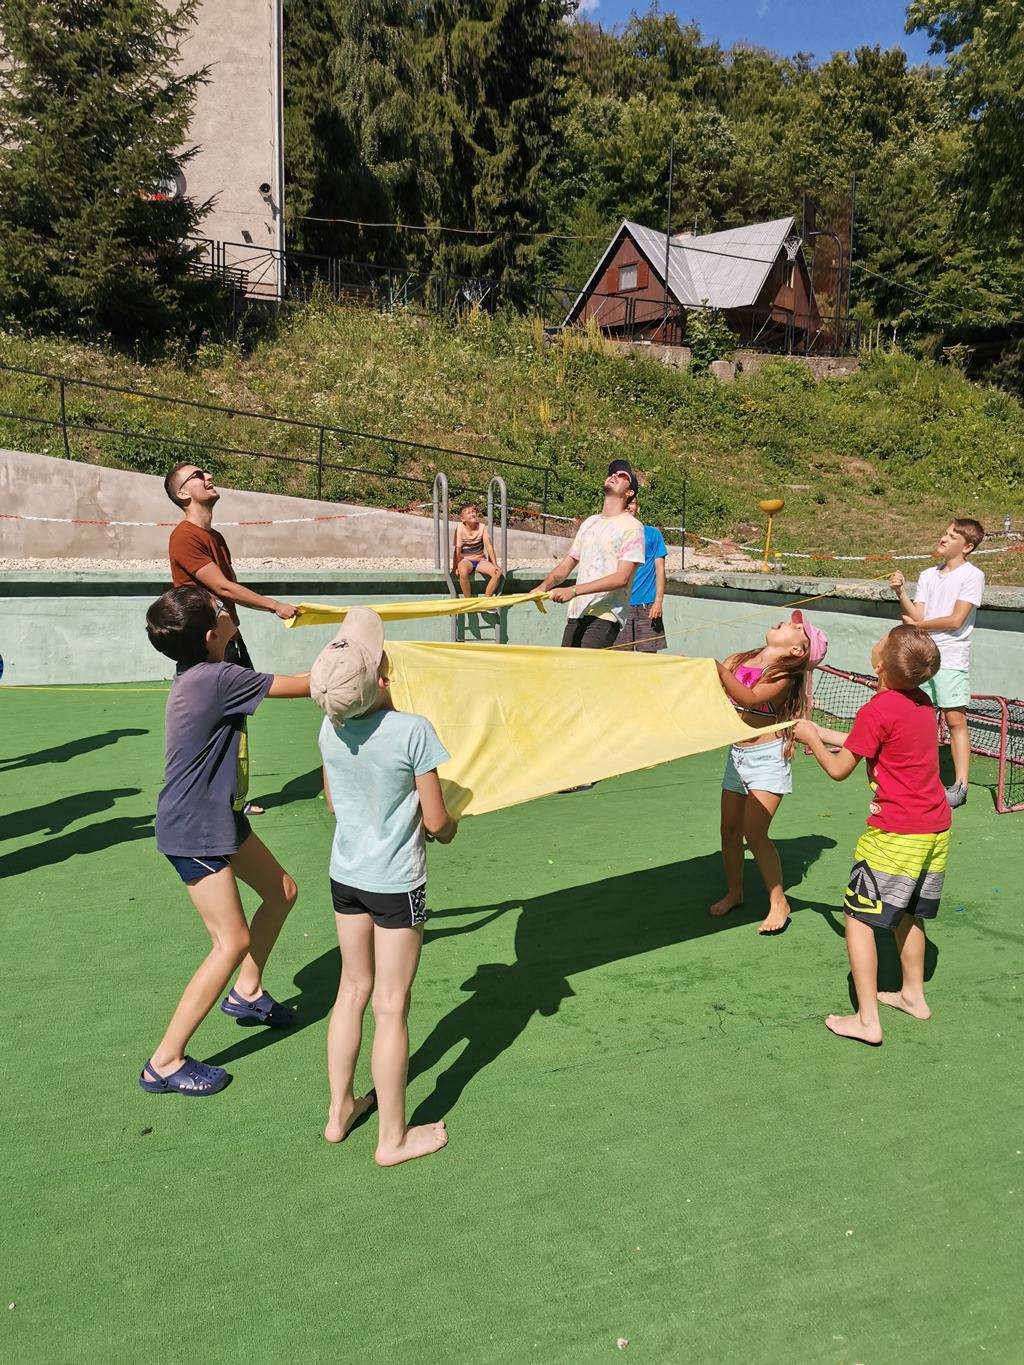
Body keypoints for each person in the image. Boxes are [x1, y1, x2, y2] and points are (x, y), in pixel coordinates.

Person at [139, 585, 311, 1096]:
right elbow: (309, 685)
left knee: (281, 893)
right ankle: (164, 1062)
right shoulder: (217, 678)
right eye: (220, 609)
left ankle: (247, 992)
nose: (227, 608)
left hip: (219, 819)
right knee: (231, 941)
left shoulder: (203, 670)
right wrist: (362, 649)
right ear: (212, 635)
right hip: (194, 828)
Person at [314, 607, 458, 1166]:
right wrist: (451, 825)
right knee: (391, 1006)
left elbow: (334, 803)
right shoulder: (413, 731)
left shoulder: (329, 726)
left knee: (351, 990)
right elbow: (438, 822)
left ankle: (338, 1113)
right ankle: (393, 1139)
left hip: (345, 875)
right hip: (396, 883)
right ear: (381, 678)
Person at [793, 625, 949, 1045]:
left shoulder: (876, 709)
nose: (877, 642)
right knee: (908, 913)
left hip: (896, 833)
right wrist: (822, 732)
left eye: (882, 641)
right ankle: (913, 996)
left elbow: (839, 769)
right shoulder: (922, 702)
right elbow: (878, 742)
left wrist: (812, 740)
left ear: (879, 665)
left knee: (859, 918)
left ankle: (867, 1020)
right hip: (934, 828)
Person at [164, 462, 300, 814]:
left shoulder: (216, 538)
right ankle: (215, 800)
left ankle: (233, 799)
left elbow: (227, 590)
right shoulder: (184, 536)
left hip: (228, 640)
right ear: (182, 493)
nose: (208, 477)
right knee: (217, 725)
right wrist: (275, 606)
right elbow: (223, 587)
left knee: (235, 723)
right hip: (209, 649)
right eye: (197, 476)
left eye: (206, 473)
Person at [710, 610, 828, 934]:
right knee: (729, 830)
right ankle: (734, 892)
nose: (789, 622)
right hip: (737, 754)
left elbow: (749, 697)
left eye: (797, 627)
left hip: (767, 758)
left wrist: (719, 670)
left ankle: (779, 902)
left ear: (797, 650)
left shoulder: (781, 677)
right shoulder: (739, 659)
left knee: (754, 832)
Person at [889, 519, 985, 808]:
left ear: (967, 546)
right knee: (919, 717)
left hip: (952, 656)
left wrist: (917, 626)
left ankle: (960, 786)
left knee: (955, 720)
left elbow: (955, 621)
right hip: (922, 654)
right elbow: (918, 614)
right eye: (945, 533)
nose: (944, 538)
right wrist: (900, 592)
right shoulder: (927, 575)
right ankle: (920, 779)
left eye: (952, 536)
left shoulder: (973, 575)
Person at [537, 459, 645, 650]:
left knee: (584, 667)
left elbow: (622, 577)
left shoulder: (632, 527)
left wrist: (573, 590)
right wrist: (543, 587)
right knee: (566, 667)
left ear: (630, 492)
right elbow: (566, 565)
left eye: (622, 475)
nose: (614, 475)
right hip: (577, 612)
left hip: (605, 613)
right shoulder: (590, 523)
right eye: (612, 473)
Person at [623, 506, 668, 653]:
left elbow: (660, 569)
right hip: (621, 605)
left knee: (649, 656)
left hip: (647, 606)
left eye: (632, 502)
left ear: (638, 508)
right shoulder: (613, 534)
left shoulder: (652, 533)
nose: (629, 506)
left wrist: (658, 601)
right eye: (626, 502)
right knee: (620, 655)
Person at [452, 502, 502, 597]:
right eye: (469, 513)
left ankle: (486, 600)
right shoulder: (460, 528)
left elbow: (489, 546)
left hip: (480, 560)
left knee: (497, 573)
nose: (472, 514)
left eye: (473, 512)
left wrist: (495, 564)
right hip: (466, 560)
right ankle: (468, 599)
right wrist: (455, 567)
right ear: (463, 519)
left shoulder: (482, 527)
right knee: (463, 571)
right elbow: (457, 550)